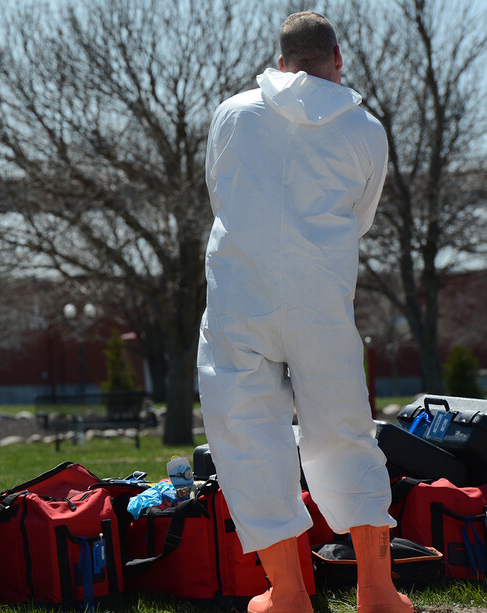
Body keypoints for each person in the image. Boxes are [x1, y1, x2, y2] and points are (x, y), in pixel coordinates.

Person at [198, 12, 412, 613]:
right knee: (345, 432)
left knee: (247, 435)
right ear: (337, 59)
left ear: (282, 60)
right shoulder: (366, 129)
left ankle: (287, 593)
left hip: (241, 296)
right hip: (321, 297)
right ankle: (378, 591)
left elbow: (224, 195)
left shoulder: (233, 114)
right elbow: (360, 216)